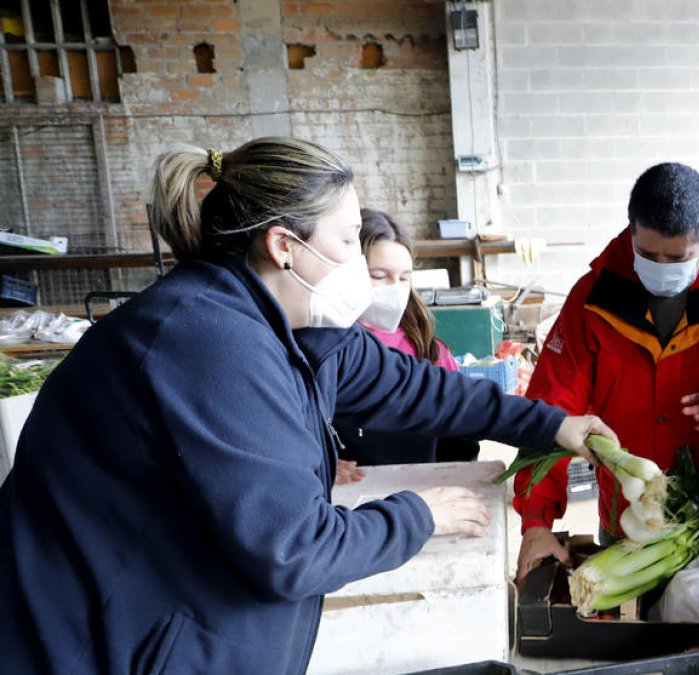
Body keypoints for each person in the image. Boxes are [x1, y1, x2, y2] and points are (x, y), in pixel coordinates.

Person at [0, 137, 614, 674]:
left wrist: (551, 423)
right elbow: (294, 550)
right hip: (93, 646)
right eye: (348, 240)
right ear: (284, 246)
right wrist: (419, 515)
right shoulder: (207, 343)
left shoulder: (293, 328)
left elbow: (418, 387)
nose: (358, 262)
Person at [513, 162, 699, 582]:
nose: (661, 265)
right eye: (648, 254)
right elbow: (550, 409)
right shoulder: (593, 300)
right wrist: (536, 523)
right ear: (632, 230)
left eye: (678, 257)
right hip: (630, 522)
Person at [333, 208, 479, 482]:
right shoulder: (326, 348)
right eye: (378, 275)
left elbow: (459, 434)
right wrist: (322, 462)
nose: (394, 288)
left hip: (422, 494)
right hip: (349, 503)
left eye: (403, 278)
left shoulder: (429, 350)